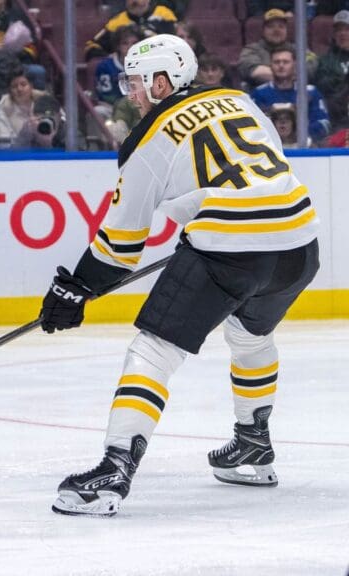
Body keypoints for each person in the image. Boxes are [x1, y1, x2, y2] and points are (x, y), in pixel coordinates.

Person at [41, 34, 319, 517]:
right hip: (298, 241)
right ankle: (252, 445)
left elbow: (120, 247)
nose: (130, 92)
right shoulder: (241, 101)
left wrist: (77, 287)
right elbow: (264, 171)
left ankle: (114, 468)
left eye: (136, 82)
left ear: (163, 81)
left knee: (154, 348)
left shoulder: (147, 139)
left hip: (230, 247)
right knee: (250, 335)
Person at [251, 45, 330, 144]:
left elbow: (324, 124)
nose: (281, 65)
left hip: (305, 150)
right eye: (277, 62)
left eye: (285, 62)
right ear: (270, 65)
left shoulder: (309, 92)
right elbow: (252, 126)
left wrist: (298, 135)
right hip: (270, 150)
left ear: (295, 65)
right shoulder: (258, 94)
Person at [237, 8, 317, 88]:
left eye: (281, 26)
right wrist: (290, 76)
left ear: (286, 30)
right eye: (271, 26)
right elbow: (255, 72)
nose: (276, 30)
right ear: (263, 30)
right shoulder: (251, 50)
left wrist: (280, 75)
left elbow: (311, 65)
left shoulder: (298, 49)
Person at [85, 0, 177, 60]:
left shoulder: (164, 14)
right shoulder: (117, 22)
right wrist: (110, 57)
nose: (134, 1)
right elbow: (91, 47)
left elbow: (175, 43)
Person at [0, 71, 63, 149]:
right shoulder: (1, 110)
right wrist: (24, 135)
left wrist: (49, 138)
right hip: (21, 156)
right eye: (14, 86)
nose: (19, 89)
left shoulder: (46, 101)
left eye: (23, 84)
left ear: (31, 86)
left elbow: (64, 124)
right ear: (9, 90)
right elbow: (1, 145)